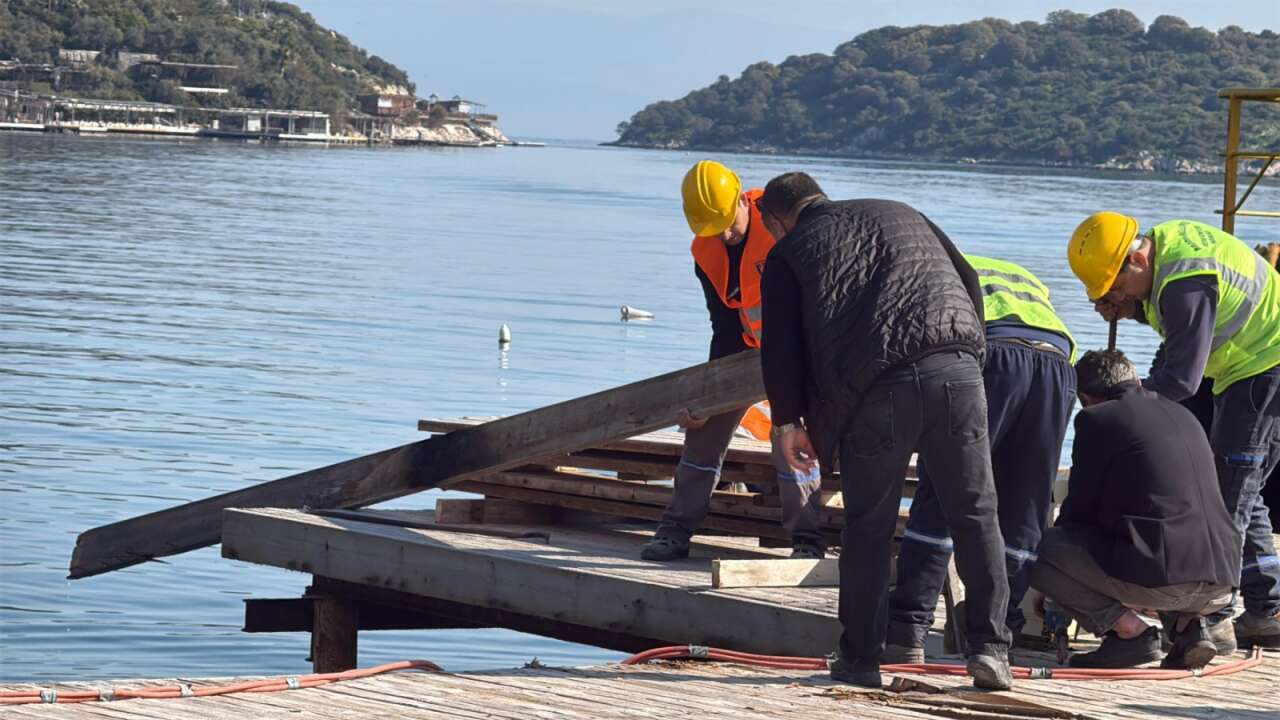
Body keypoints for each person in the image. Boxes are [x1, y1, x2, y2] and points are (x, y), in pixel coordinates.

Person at [756, 172, 1013, 690]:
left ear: (776, 221)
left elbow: (781, 348)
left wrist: (788, 422)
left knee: (869, 526)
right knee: (975, 513)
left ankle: (859, 659)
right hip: (957, 370)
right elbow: (966, 280)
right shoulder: (900, 210)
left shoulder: (790, 252)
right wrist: (969, 357)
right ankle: (990, 650)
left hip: (877, 388)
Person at [1068, 213, 1280, 651]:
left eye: (1117, 289)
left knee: (1230, 490)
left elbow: (1181, 379)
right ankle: (1267, 608)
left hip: (1264, 364)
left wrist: (1125, 407)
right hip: (1242, 364)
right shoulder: (1167, 252)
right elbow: (1182, 329)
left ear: (1136, 259)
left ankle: (1210, 618)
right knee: (1241, 484)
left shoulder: (1185, 281)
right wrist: (1132, 310)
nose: (1117, 298)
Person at [885, 255, 1077, 662]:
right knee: (1026, 503)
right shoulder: (1012, 272)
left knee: (946, 487)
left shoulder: (921, 271)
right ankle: (998, 633)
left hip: (992, 353)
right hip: (1057, 364)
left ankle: (906, 630)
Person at [640, 160, 826, 562]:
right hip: (745, 354)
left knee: (790, 436)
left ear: (744, 200)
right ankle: (675, 531)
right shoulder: (705, 250)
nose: (724, 235)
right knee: (702, 430)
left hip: (796, 355)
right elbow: (723, 325)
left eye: (728, 225)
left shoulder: (779, 226)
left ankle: (807, 539)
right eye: (713, 230)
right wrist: (710, 395)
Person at [1029, 350, 1241, 669]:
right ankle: (1189, 629)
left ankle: (1130, 634)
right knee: (1160, 536)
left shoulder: (1096, 419)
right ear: (1137, 381)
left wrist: (1052, 583)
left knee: (1032, 551)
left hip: (1167, 581)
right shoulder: (1183, 413)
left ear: (1085, 398)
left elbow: (1079, 511)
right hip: (1225, 580)